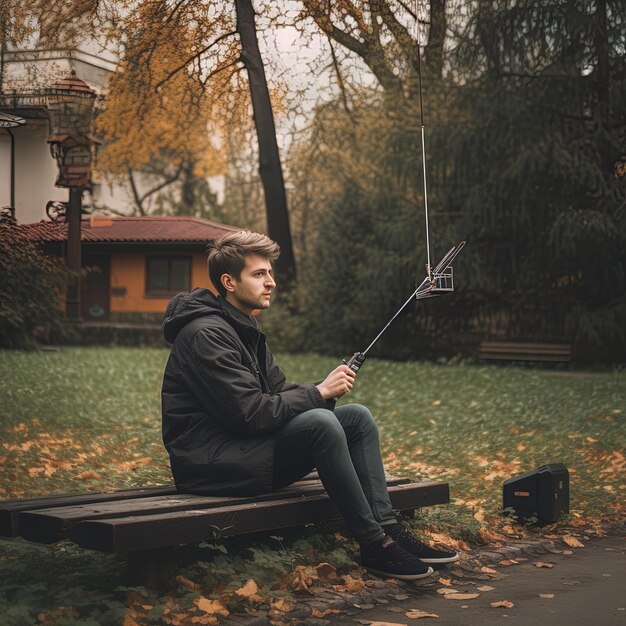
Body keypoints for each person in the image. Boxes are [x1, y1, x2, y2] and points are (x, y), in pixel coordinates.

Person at [161, 230, 458, 580]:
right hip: (210, 464)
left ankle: (388, 530)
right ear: (228, 281)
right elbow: (250, 413)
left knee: (357, 419)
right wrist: (318, 393)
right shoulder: (206, 334)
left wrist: (324, 390)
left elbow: (277, 390)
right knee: (320, 422)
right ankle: (374, 545)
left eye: (270, 273)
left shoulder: (242, 326)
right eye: (259, 274)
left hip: (243, 449)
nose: (270, 282)